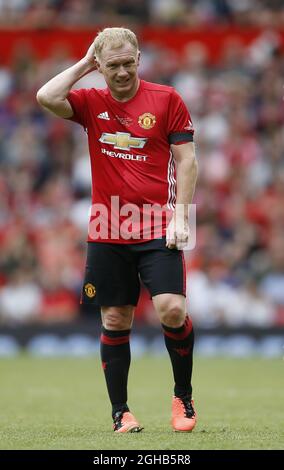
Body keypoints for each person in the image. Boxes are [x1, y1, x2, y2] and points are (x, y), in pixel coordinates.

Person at [37, 27, 198, 433]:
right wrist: (84, 64)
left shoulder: (167, 99)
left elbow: (188, 161)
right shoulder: (91, 102)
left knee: (172, 309)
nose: (123, 72)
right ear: (100, 65)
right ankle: (120, 413)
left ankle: (182, 396)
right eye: (113, 65)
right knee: (114, 317)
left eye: (129, 62)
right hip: (107, 225)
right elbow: (46, 97)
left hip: (160, 222)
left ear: (139, 58)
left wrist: (182, 216)